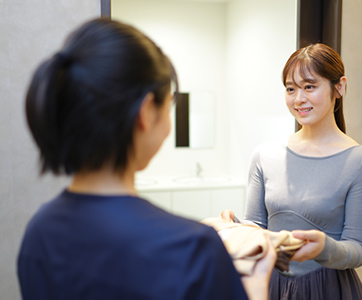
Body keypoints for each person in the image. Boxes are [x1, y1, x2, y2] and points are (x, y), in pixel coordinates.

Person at [17, 18, 277, 300]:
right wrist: (256, 287)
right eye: (168, 106)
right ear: (145, 113)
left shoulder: (40, 231)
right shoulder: (194, 250)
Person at [221, 43, 362, 299]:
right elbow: (258, 227)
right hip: (270, 284)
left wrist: (324, 248)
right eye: (290, 89)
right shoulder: (265, 155)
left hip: (328, 288)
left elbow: (358, 250)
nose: (299, 99)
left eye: (309, 86)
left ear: (339, 87)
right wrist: (235, 228)